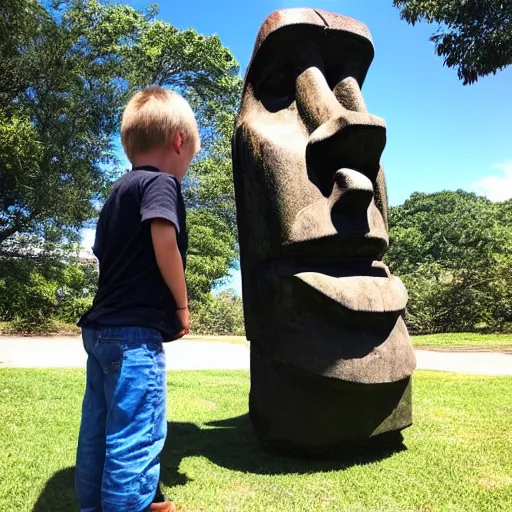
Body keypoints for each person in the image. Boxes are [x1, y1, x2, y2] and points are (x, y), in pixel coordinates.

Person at [75, 86, 200, 512]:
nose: (184, 169)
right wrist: (181, 305)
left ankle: (95, 506)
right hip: (132, 337)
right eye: (189, 160)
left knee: (98, 429)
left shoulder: (116, 195)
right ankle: (130, 506)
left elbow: (104, 256)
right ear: (178, 142)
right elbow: (164, 239)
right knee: (136, 431)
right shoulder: (161, 183)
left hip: (100, 331)